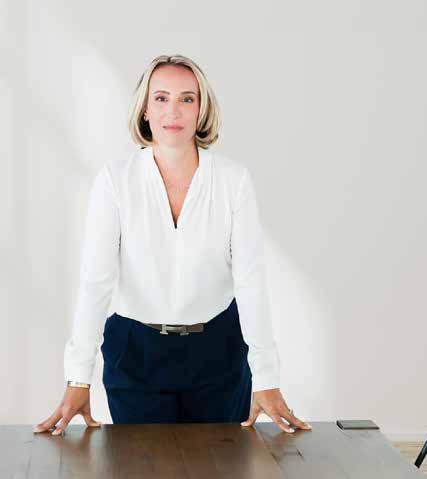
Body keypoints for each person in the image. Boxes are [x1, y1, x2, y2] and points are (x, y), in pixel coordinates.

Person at [33, 54, 310, 435]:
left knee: (220, 463)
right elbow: (95, 283)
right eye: (161, 98)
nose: (173, 111)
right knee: (143, 463)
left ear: (201, 110)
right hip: (136, 354)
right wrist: (78, 378)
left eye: (187, 99)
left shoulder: (233, 181)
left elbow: (251, 283)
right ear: (145, 109)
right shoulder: (115, 181)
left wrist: (266, 378)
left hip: (219, 352)